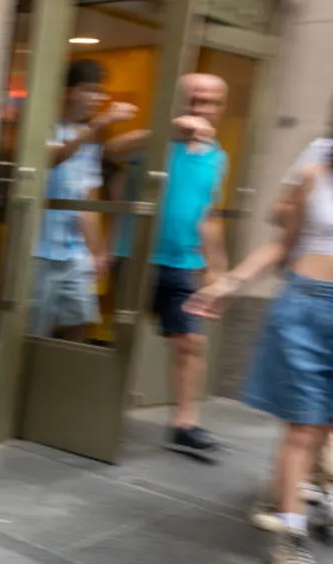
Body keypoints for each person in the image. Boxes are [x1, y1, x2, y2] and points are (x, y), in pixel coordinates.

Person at [186, 136, 333, 564]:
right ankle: (292, 533)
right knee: (304, 426)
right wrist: (229, 282)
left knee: (325, 426)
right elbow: (281, 246)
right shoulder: (315, 175)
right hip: (307, 308)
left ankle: (285, 499)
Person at [106, 74, 228, 460]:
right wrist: (164, 131)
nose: (199, 108)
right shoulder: (155, 141)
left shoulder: (217, 156)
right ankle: (96, 414)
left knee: (191, 343)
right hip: (135, 257)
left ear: (219, 108)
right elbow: (112, 150)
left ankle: (184, 425)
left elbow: (209, 216)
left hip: (182, 265)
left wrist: (218, 271)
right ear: (179, 103)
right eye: (193, 100)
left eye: (208, 102)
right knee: (118, 339)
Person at [29, 59, 137, 341]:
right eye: (90, 90)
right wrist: (99, 124)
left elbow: (86, 201)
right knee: (32, 332)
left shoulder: (91, 141)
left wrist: (99, 252)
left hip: (74, 254)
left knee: (80, 325)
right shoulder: (42, 125)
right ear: (69, 91)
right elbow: (52, 158)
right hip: (38, 253)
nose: (97, 98)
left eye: (100, 92)